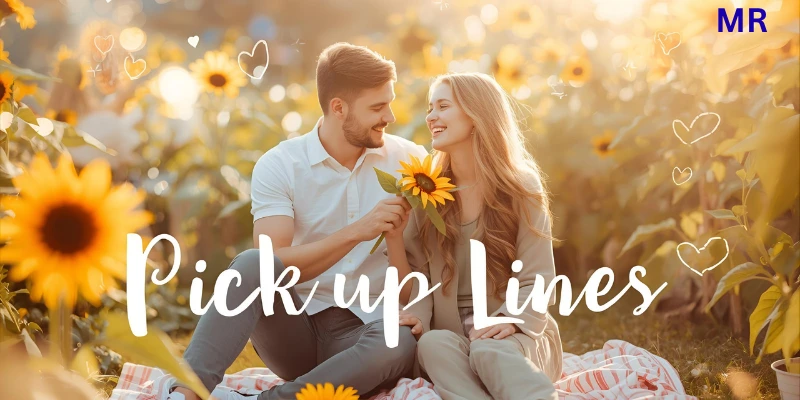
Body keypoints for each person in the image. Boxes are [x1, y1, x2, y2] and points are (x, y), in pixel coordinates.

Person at [168, 42, 427, 400]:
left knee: (398, 343)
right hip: (293, 331)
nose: (390, 117)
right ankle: (186, 394)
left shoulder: (410, 162)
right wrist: (356, 232)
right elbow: (271, 265)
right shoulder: (281, 165)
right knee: (250, 264)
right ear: (338, 108)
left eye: (390, 102)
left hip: (368, 334)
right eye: (378, 107)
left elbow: (416, 273)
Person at [388, 72, 563, 400]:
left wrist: (511, 320)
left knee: (487, 352)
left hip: (515, 334)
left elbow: (538, 277)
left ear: (477, 115)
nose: (431, 117)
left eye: (443, 106)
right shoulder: (428, 193)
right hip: (452, 337)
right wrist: (395, 241)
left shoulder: (521, 187)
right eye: (430, 108)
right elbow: (419, 279)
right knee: (431, 344)